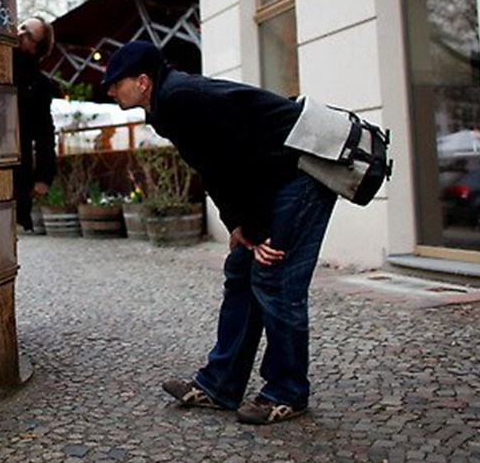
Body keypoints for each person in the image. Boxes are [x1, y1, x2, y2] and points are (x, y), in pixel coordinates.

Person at [102, 41, 337, 425]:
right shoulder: (167, 103)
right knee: (240, 272)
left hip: (303, 175)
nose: (110, 90)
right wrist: (238, 226)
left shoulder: (180, 98)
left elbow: (240, 160)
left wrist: (258, 230)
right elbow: (214, 167)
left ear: (142, 81)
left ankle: (288, 391)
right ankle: (221, 385)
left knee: (275, 279)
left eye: (116, 83)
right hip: (275, 179)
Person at [13, 16, 57, 231]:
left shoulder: (39, 85)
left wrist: (43, 177)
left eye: (29, 35)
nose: (21, 34)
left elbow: (45, 134)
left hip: (15, 165)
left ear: (37, 48)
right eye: (22, 27)